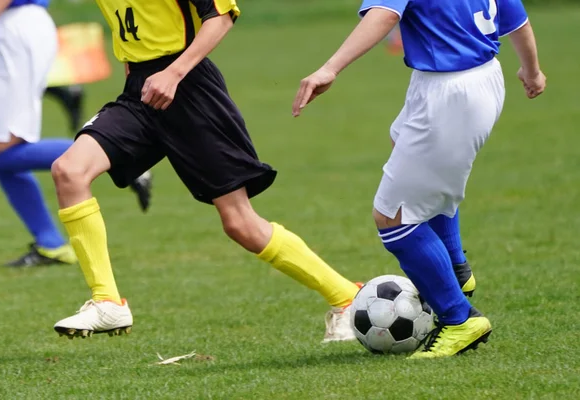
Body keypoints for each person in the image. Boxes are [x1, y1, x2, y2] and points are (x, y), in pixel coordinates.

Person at [50, 0, 361, 343]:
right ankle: (108, 301)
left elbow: (221, 17)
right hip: (141, 90)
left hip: (191, 88)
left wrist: (174, 72)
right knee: (69, 171)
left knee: (240, 223)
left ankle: (347, 296)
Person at [293, 0, 545, 358]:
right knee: (415, 163)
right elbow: (515, 18)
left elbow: (385, 14)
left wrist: (329, 68)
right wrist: (532, 70)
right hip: (468, 79)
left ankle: (460, 320)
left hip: (452, 92)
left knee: (392, 216)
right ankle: (455, 268)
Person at [0, 1, 153, 269]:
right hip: (4, 30)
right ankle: (51, 245)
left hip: (11, 27)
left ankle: (119, 154)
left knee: (1, 152)